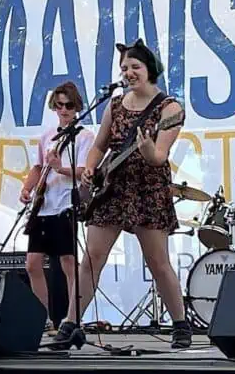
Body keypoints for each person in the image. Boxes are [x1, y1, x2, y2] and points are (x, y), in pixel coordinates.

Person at [52, 39, 193, 349]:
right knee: (91, 258)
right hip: (112, 188)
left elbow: (159, 156)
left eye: (135, 67)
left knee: (157, 261)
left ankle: (181, 325)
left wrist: (147, 150)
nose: (129, 72)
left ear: (150, 70)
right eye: (124, 68)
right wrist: (90, 167)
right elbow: (100, 145)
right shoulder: (115, 104)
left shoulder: (169, 108)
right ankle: (70, 324)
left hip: (148, 187)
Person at [19, 81, 94, 332]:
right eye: (59, 105)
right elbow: (39, 167)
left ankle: (73, 317)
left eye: (69, 105)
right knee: (32, 263)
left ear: (77, 107)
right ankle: (44, 318)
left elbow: (84, 171)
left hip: (65, 205)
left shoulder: (84, 136)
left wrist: (60, 166)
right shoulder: (47, 136)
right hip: (43, 205)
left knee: (68, 262)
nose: (64, 110)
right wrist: (27, 188)